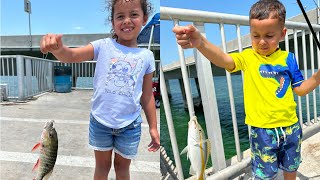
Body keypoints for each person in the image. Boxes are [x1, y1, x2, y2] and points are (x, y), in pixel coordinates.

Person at [173, 0, 320, 179]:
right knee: (265, 173)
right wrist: (201, 43)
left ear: (282, 34)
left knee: (291, 165)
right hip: (262, 131)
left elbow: (300, 89)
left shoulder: (289, 58)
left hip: (291, 127)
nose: (262, 42)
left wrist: (317, 76)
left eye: (269, 35)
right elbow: (225, 60)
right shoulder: (248, 57)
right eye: (256, 36)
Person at [40, 0, 160, 179]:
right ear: (112, 22)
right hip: (100, 122)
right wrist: (59, 49)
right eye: (120, 16)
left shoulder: (147, 56)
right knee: (102, 167)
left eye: (133, 15)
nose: (127, 20)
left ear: (144, 19)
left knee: (122, 168)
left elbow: (148, 95)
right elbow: (72, 55)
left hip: (130, 125)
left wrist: (153, 127)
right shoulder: (103, 46)